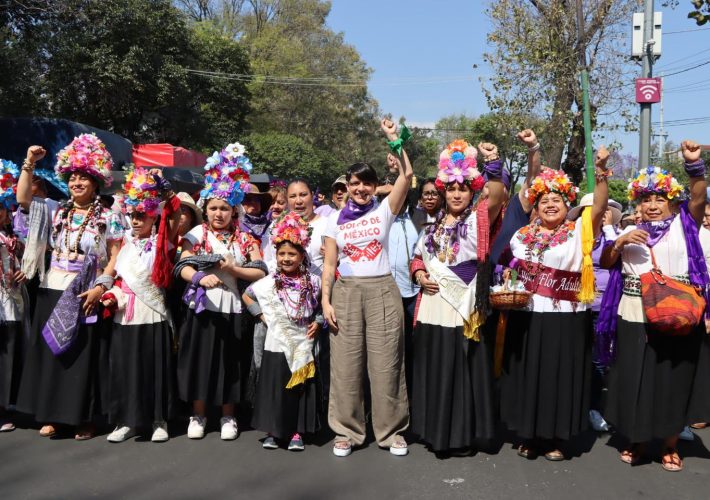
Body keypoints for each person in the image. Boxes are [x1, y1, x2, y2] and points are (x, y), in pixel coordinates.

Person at [599, 141, 708, 472]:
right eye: (647, 199)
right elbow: (606, 262)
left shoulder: (685, 224)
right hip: (634, 315)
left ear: (671, 202)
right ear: (638, 203)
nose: (653, 205)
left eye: (660, 199)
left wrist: (694, 167)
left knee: (672, 381)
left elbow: (700, 196)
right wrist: (618, 242)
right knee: (636, 380)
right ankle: (637, 439)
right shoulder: (630, 230)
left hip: (678, 313)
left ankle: (670, 445)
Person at [499, 146, 610, 461]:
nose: (549, 204)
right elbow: (508, 268)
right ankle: (529, 434)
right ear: (535, 207)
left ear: (567, 204)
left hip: (566, 319)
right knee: (528, 375)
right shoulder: (521, 236)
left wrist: (600, 172)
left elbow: (599, 206)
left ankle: (557, 438)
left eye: (556, 200)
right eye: (543, 201)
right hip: (528, 316)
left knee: (559, 378)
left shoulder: (578, 232)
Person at [16, 137, 124, 440]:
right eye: (73, 178)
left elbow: (116, 253)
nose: (77, 182)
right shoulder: (55, 210)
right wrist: (30, 162)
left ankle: (84, 419)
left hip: (85, 291)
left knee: (82, 357)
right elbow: (23, 199)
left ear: (96, 182)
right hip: (53, 287)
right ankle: (52, 415)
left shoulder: (109, 216)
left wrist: (101, 286)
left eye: (83, 178)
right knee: (53, 353)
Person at [407, 138, 506, 456]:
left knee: (459, 372)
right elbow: (418, 258)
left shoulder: (478, 220)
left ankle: (460, 435)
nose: (457, 193)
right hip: (432, 310)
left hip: (461, 309)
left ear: (472, 190)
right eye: (451, 189)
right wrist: (420, 274)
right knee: (434, 370)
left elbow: (498, 195)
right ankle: (431, 429)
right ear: (443, 192)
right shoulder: (430, 227)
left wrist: (493, 164)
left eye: (463, 188)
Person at [322, 118, 413, 458]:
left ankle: (391, 432)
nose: (360, 188)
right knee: (346, 365)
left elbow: (406, 175)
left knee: (386, 363)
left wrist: (394, 140)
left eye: (366, 183)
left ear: (375, 186)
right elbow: (329, 265)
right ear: (346, 185)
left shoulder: (385, 211)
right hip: (346, 293)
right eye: (354, 183)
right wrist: (326, 301)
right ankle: (347, 431)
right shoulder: (333, 220)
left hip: (382, 292)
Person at [176, 143, 266, 440]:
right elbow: (182, 267)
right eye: (213, 207)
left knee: (231, 363)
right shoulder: (195, 235)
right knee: (200, 361)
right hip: (201, 309)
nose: (218, 213)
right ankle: (199, 414)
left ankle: (229, 416)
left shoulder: (245, 238)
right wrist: (200, 279)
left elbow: (261, 270)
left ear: (233, 211)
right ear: (206, 210)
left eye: (224, 208)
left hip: (233, 308)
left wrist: (233, 271)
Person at [99, 167, 180, 443]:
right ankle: (126, 421)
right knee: (124, 367)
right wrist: (107, 292)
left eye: (141, 216)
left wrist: (163, 188)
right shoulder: (122, 244)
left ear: (152, 216)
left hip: (152, 311)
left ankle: (159, 420)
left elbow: (175, 213)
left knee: (154, 367)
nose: (135, 221)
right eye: (132, 215)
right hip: (126, 313)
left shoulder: (162, 243)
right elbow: (116, 274)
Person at [243, 211, 322, 451]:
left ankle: (297, 431)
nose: (286, 258)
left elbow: (323, 304)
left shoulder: (313, 281)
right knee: (275, 387)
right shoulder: (268, 282)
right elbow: (247, 295)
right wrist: (260, 314)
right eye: (282, 254)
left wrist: (318, 321)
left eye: (292, 254)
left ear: (301, 255)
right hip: (276, 343)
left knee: (299, 387)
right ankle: (273, 431)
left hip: (302, 341)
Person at [567, 194, 622, 433]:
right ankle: (572, 405)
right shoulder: (571, 237)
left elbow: (616, 258)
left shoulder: (615, 236)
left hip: (604, 308)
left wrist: (609, 229)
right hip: (575, 306)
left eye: (601, 210)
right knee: (575, 357)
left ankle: (593, 407)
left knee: (599, 361)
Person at [0, 159, 27, 432]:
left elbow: (24, 263)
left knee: (10, 351)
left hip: (12, 299)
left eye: (2, 208)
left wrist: (24, 272)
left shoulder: (14, 237)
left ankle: (7, 405)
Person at [388, 197, 420, 395]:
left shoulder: (417, 217)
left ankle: (409, 391)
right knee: (391, 346)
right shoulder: (381, 217)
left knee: (410, 344)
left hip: (413, 292)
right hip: (389, 293)